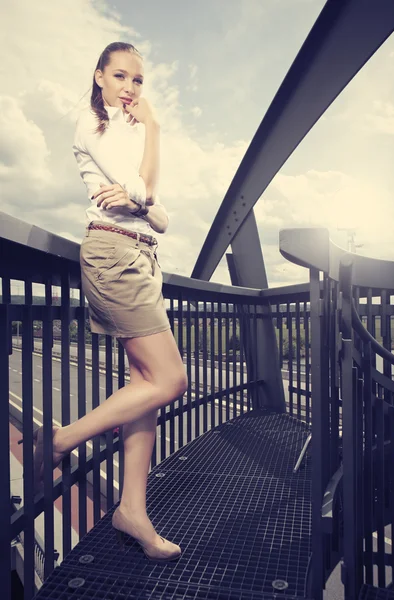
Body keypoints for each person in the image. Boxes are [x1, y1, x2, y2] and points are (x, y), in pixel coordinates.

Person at [34, 41, 188, 562]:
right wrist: (151, 156)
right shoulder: (91, 124)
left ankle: (132, 512)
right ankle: (59, 441)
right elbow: (144, 191)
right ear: (99, 76)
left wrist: (142, 195)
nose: (130, 88)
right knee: (171, 381)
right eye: (120, 76)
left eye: (138, 81)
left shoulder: (132, 133)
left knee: (146, 387)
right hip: (114, 254)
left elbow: (159, 212)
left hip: (142, 258)